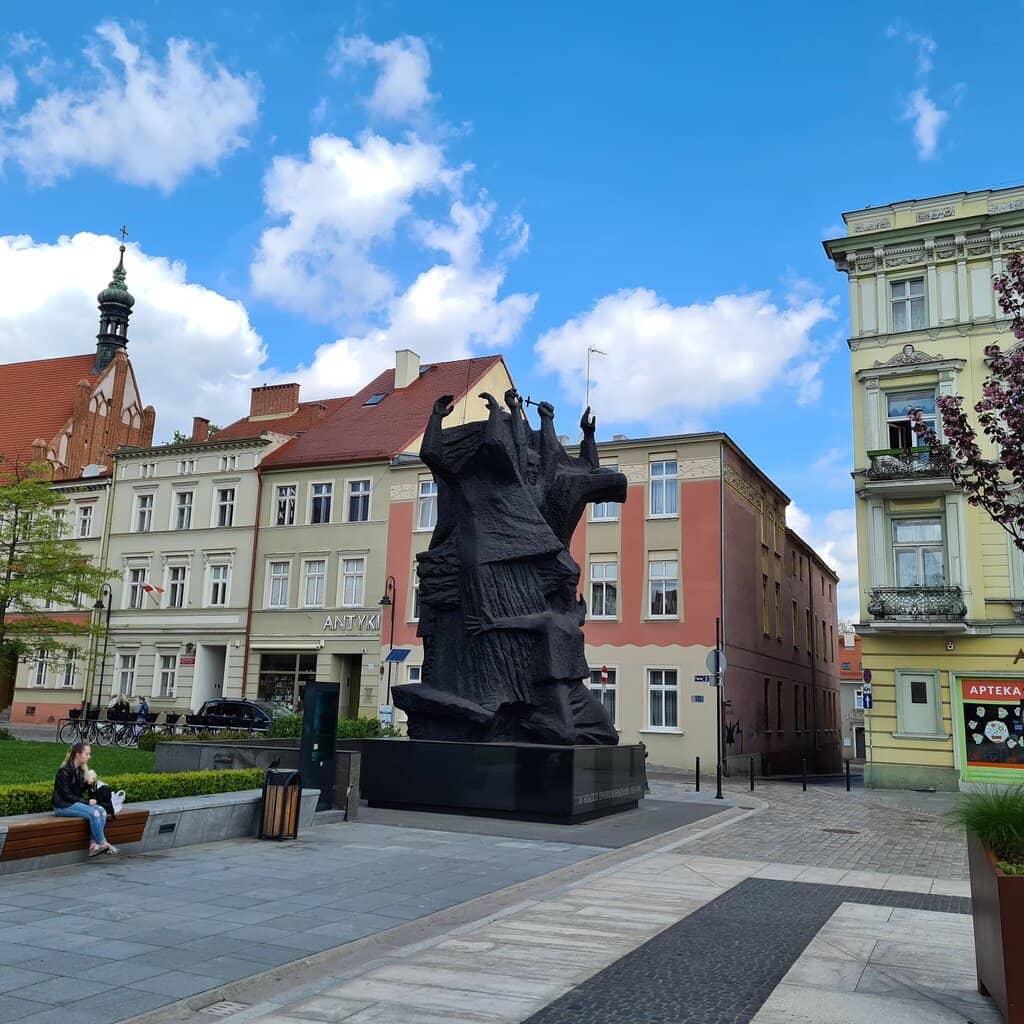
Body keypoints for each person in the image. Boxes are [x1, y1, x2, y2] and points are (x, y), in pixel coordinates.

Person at [52, 742, 118, 856]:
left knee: (101, 811)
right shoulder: (64, 771)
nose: (89, 757)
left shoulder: (80, 770)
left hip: (73, 803)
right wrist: (87, 802)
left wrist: (88, 784)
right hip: (62, 806)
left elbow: (77, 793)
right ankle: (103, 843)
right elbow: (66, 795)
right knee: (95, 813)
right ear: (78, 754)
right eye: (87, 754)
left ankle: (93, 845)